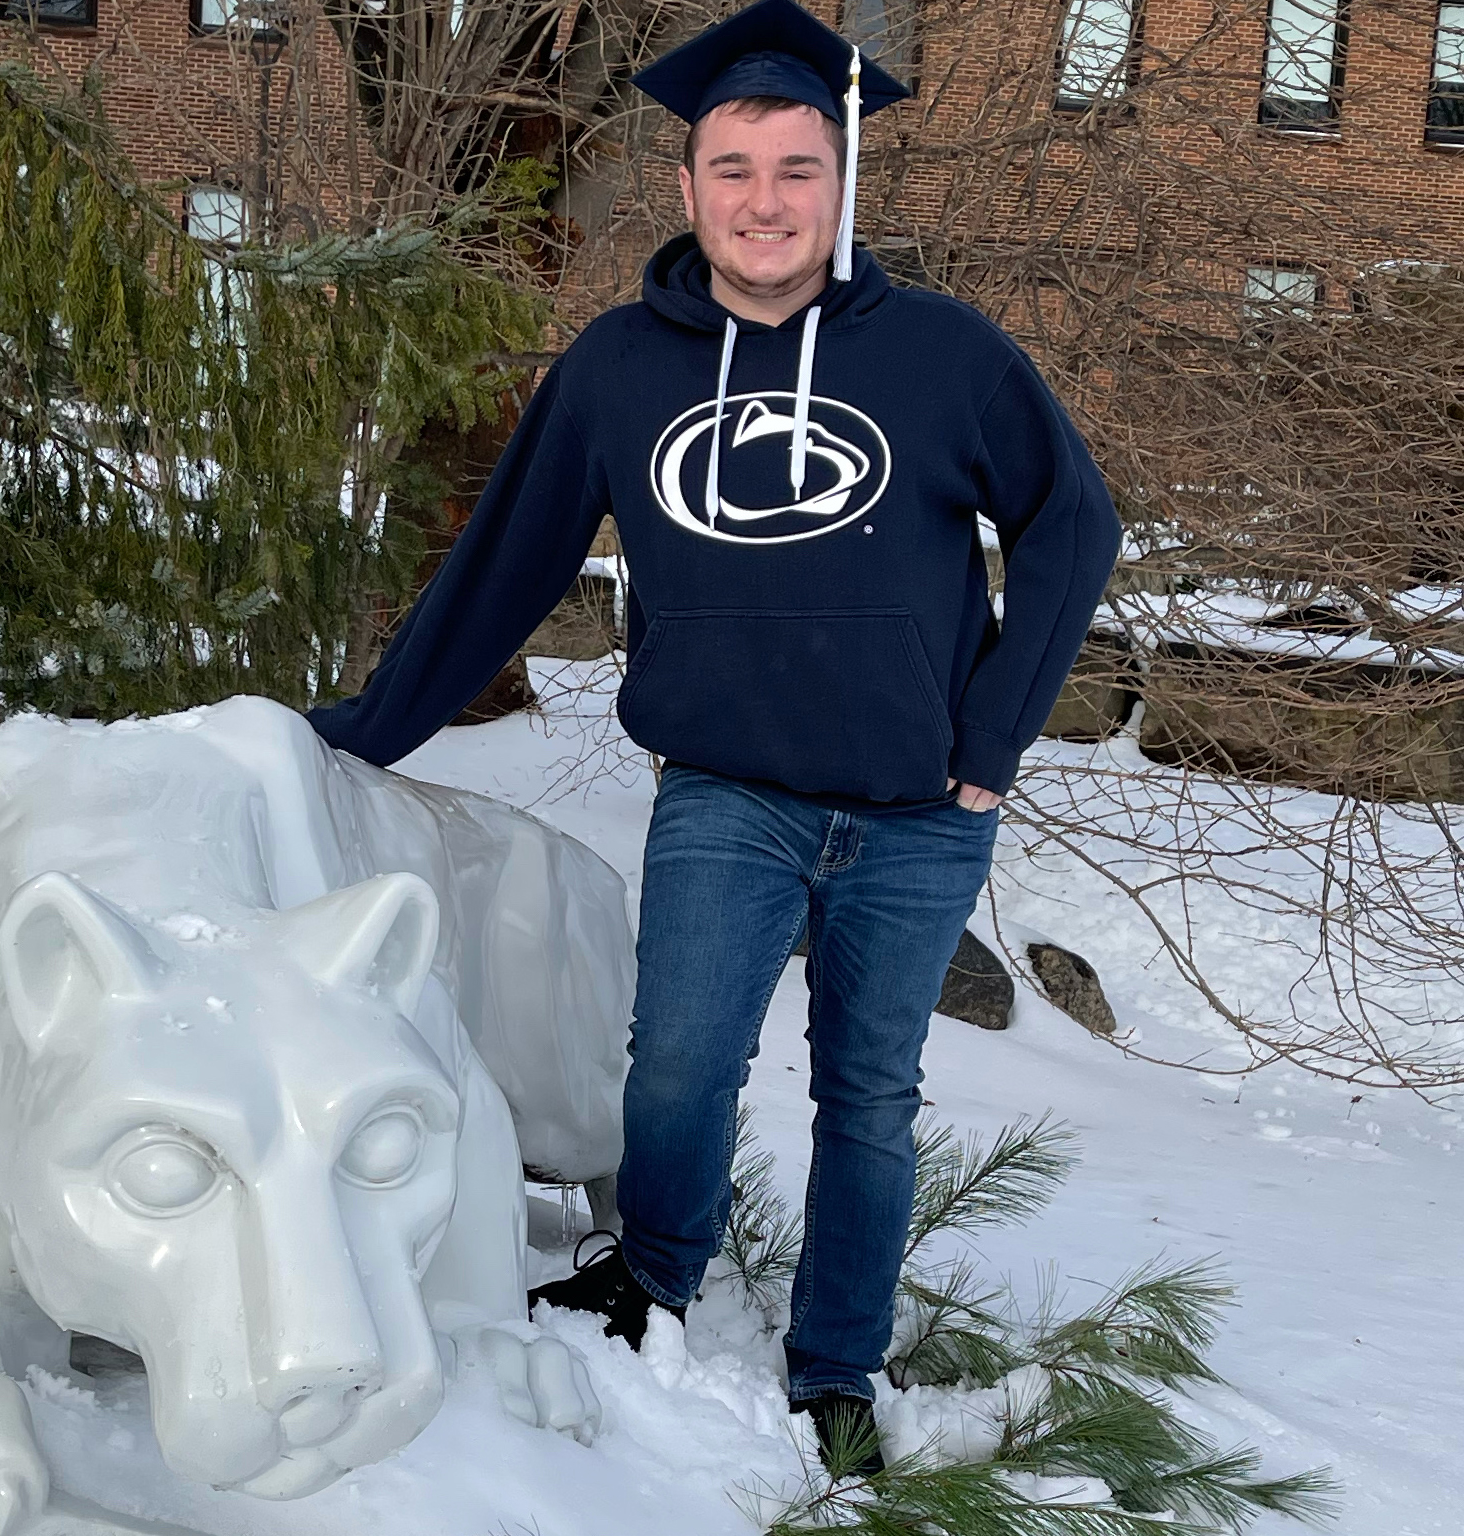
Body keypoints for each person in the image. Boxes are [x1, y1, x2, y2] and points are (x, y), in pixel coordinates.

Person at [305, 0, 1121, 1475]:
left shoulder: (944, 356)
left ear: (841, 181)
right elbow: (505, 565)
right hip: (724, 796)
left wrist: (996, 735)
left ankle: (837, 1368)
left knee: (869, 1098)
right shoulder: (621, 369)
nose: (765, 200)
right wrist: (373, 727)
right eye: (734, 168)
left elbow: (1075, 524)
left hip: (920, 812)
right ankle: (655, 1272)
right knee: (676, 1069)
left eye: (797, 168)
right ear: (686, 188)